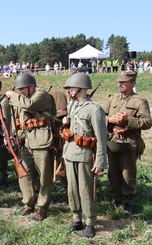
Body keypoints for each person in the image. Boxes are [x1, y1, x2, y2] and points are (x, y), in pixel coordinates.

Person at [62, 72, 108, 238]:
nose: (68, 91)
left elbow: (102, 137)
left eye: (71, 88)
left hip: (85, 155)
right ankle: (76, 218)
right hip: (70, 153)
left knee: (86, 190)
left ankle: (90, 222)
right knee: (72, 189)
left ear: (81, 89)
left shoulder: (94, 110)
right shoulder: (72, 106)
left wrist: (101, 161)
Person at [5, 73, 55, 221]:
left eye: (22, 89)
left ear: (31, 86)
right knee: (24, 174)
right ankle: (28, 203)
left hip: (42, 141)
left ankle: (42, 207)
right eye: (18, 89)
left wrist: (12, 95)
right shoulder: (21, 99)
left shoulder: (41, 94)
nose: (20, 92)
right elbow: (19, 120)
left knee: (44, 177)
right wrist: (15, 137)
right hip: (26, 142)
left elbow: (29, 105)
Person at [103, 71, 152, 214]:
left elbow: (147, 122)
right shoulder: (113, 98)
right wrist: (110, 120)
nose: (120, 84)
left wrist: (127, 120)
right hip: (112, 141)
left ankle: (127, 202)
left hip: (129, 142)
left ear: (133, 83)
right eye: (119, 82)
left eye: (124, 82)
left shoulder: (139, 101)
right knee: (112, 172)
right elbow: (102, 117)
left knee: (127, 173)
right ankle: (115, 198)